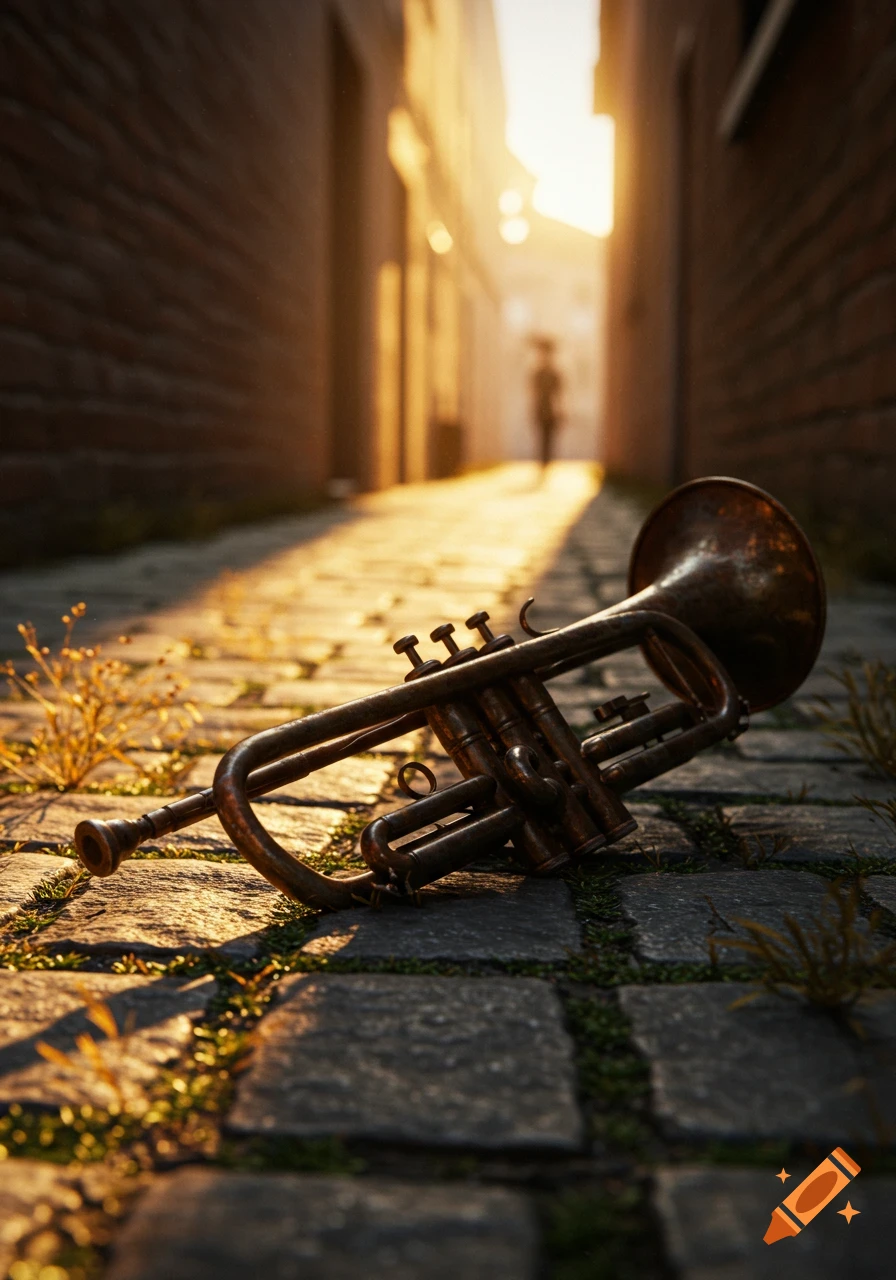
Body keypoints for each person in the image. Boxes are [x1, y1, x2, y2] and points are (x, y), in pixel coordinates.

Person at [530, 337, 563, 471]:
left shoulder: (554, 373)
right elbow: (534, 392)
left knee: (549, 437)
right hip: (541, 408)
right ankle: (543, 462)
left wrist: (559, 409)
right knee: (542, 436)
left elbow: (559, 393)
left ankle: (547, 461)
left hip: (551, 409)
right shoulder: (538, 373)